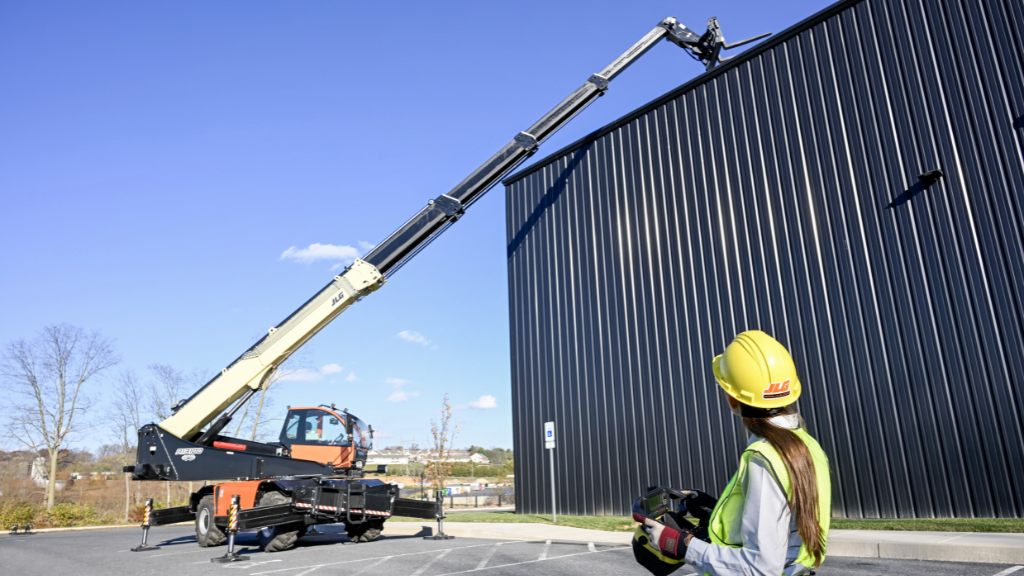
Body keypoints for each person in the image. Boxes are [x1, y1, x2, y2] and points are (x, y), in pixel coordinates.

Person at [638, 330, 831, 576]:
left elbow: (760, 567)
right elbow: (784, 520)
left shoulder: (764, 457)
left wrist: (682, 545)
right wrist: (713, 508)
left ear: (732, 398)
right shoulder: (808, 446)